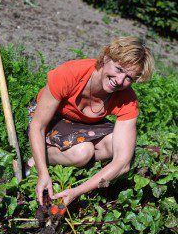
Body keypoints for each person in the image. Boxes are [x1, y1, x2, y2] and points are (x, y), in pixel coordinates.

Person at [28, 36, 154, 207]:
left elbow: (122, 163)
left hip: (84, 125)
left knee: (113, 145)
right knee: (82, 152)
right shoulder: (72, 73)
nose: (119, 80)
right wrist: (42, 173)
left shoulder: (128, 99)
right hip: (52, 118)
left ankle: (70, 162)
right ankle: (35, 161)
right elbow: (38, 126)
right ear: (107, 58)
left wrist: (77, 191)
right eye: (118, 69)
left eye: (129, 78)